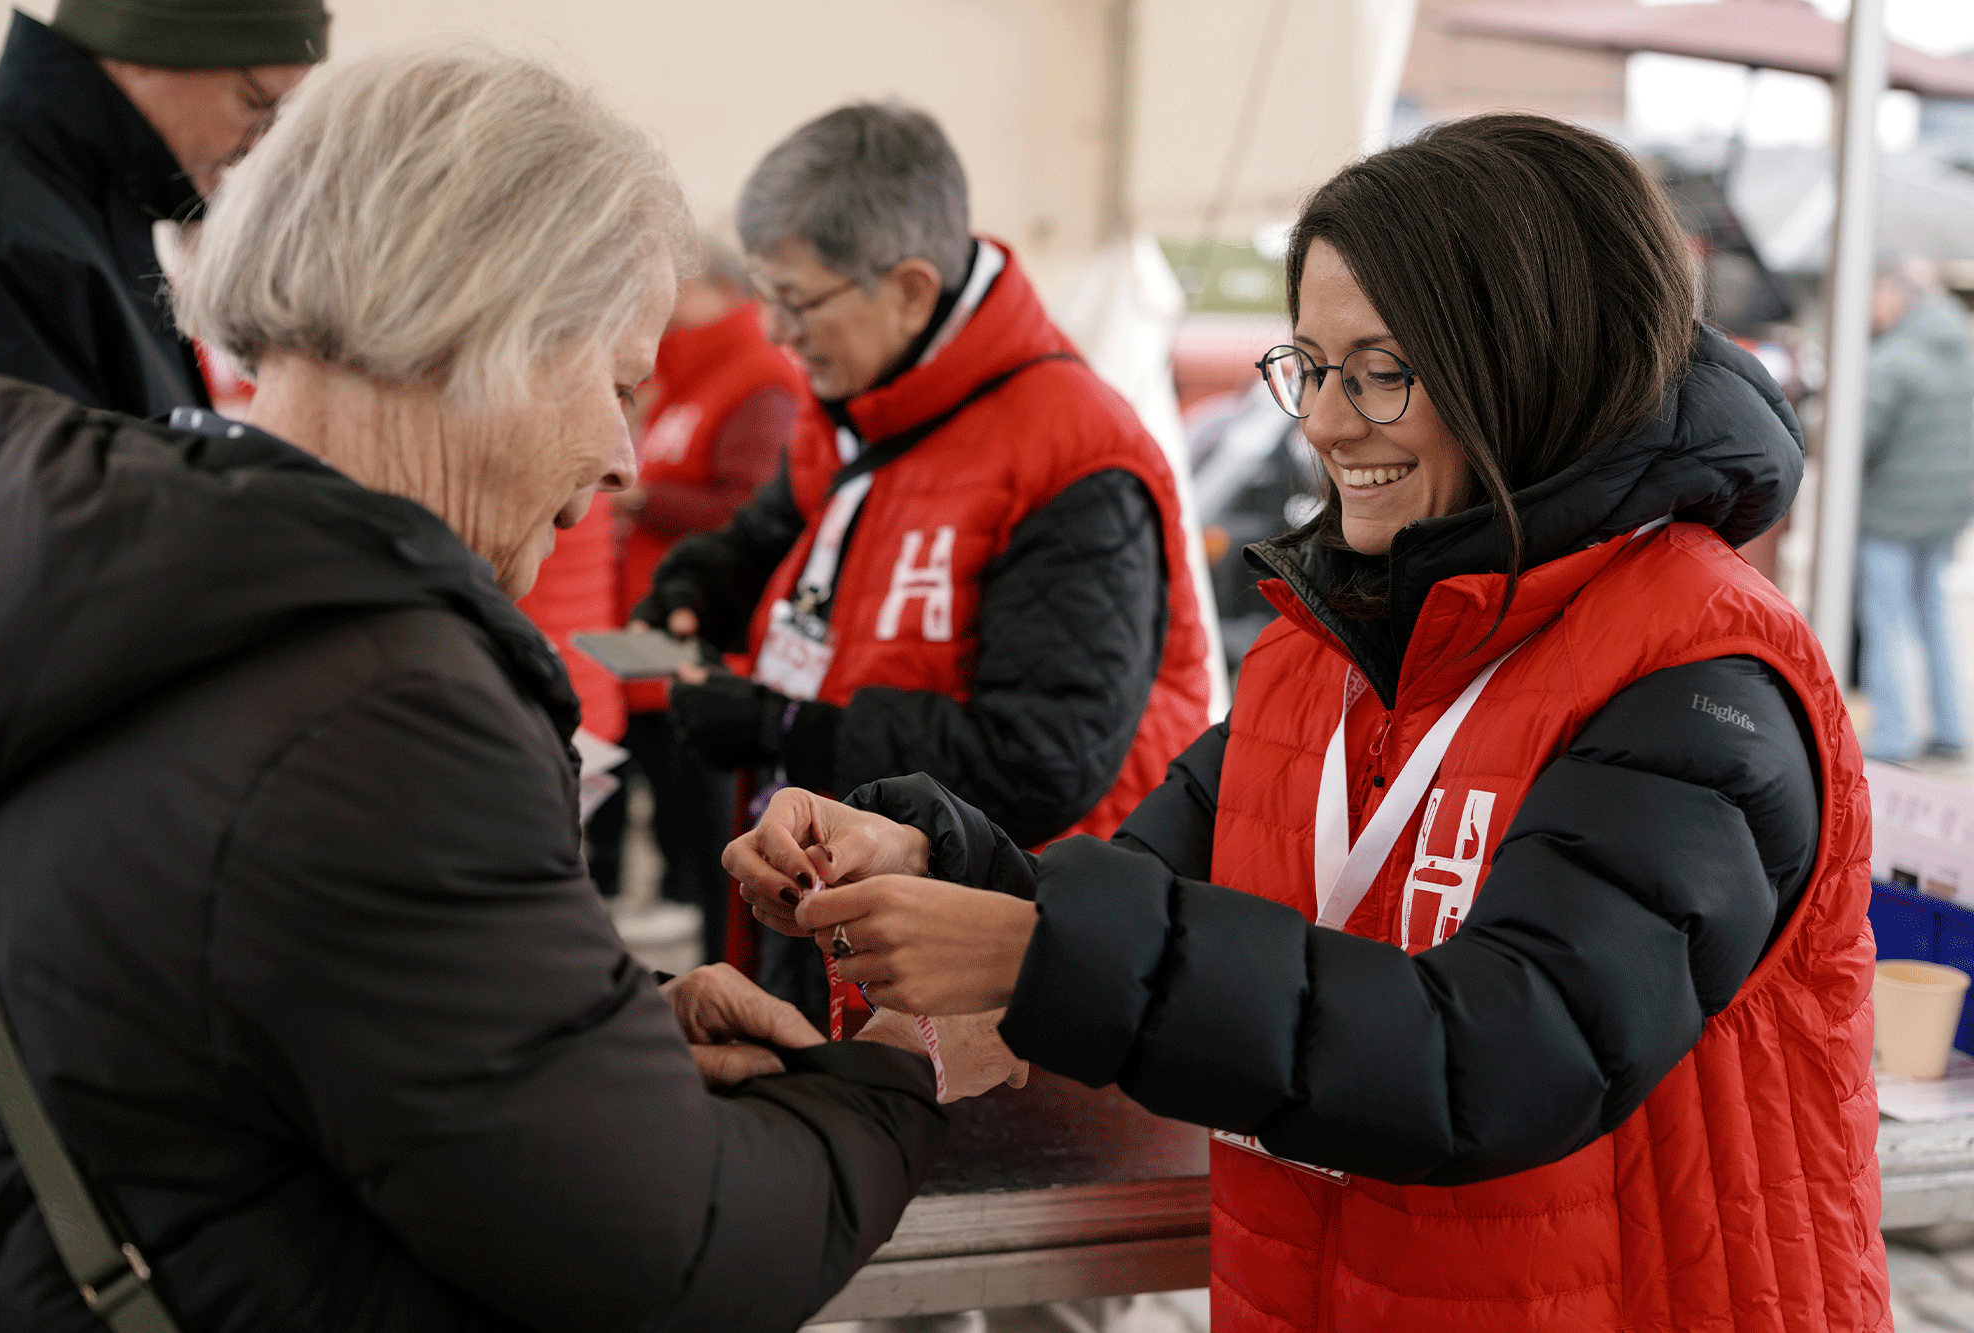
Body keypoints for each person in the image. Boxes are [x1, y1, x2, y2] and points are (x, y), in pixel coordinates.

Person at [730, 114, 1888, 1332]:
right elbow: (1140, 900)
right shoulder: (1318, 650)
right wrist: (935, 861)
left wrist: (1037, 953)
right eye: (1307, 366)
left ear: (1529, 362)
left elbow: (1504, 1057)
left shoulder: (1701, 673)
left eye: (1382, 369)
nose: (1327, 423)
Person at [0, 48, 949, 1332]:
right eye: (612, 382)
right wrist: (890, 1078)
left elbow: (247, 1031)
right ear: (494, 322)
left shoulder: (137, 568)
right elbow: (672, 1251)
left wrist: (596, 1041)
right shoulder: (381, 707)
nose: (618, 457)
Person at [638, 102, 1211, 995]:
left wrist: (783, 725)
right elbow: (776, 531)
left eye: (797, 301)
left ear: (908, 287)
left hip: (986, 967)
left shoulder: (1074, 455)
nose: (777, 333)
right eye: (766, 297)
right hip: (835, 909)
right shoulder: (861, 401)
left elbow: (1041, 757)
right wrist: (703, 577)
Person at [591, 236, 805, 944]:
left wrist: (646, 503)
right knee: (687, 833)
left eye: (680, 287)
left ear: (719, 288)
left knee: (718, 842)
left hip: (706, 651)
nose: (666, 305)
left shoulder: (755, 379)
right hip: (656, 638)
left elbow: (752, 507)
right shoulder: (685, 382)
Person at [0, 0, 321, 415]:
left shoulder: (86, 207)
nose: (260, 145)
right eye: (255, 103)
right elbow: (31, 475)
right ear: (142, 53)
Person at [1856, 257, 1974, 762]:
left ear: (1895, 295)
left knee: (1885, 620)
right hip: (1946, 511)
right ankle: (1950, 726)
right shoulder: (1961, 351)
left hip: (1891, 513)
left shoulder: (1893, 360)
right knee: (1931, 617)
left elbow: (1857, 439)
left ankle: (1893, 735)